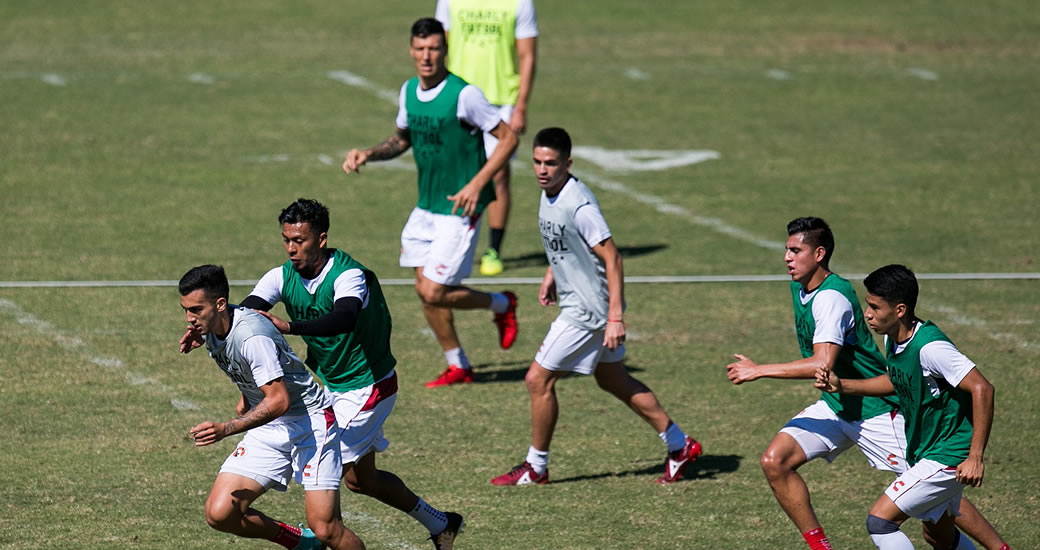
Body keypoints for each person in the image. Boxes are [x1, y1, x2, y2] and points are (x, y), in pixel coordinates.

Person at [180, 200, 463, 550]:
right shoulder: (281, 276)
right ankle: (442, 523)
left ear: (322, 238)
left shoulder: (348, 275)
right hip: (326, 386)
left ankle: (319, 535)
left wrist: (289, 326)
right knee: (362, 480)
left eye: (299, 240)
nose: (291, 248)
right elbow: (244, 314)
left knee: (328, 510)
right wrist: (207, 325)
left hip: (366, 386)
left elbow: (344, 317)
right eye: (286, 240)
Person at [725, 218, 1008, 550]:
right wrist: (841, 387)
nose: (787, 257)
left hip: (876, 414)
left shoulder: (833, 300)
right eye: (786, 249)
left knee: (933, 499)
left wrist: (758, 370)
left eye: (795, 250)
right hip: (838, 404)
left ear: (819, 253)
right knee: (775, 461)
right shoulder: (805, 290)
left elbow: (821, 363)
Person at [490, 127, 702, 486]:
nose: (543, 170)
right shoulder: (549, 192)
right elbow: (567, 243)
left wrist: (614, 318)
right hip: (581, 304)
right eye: (538, 162)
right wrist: (551, 274)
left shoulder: (580, 204)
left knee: (537, 380)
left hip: (588, 313)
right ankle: (680, 445)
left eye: (551, 164)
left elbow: (613, 257)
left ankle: (535, 467)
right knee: (613, 379)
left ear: (567, 163)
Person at [343, 17, 520, 388]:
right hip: (425, 208)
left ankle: (502, 304)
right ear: (411, 51)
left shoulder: (464, 95)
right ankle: (458, 364)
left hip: (460, 208)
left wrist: (477, 184)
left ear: (445, 50)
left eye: (434, 49)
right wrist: (368, 154)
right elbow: (401, 140)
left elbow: (508, 139)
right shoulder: (409, 92)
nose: (427, 56)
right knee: (425, 293)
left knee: (433, 290)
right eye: (421, 49)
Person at [177, 264, 364, 550]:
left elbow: (279, 400)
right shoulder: (216, 325)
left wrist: (227, 428)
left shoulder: (253, 336)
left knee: (327, 528)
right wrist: (203, 335)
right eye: (186, 310)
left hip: (310, 425)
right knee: (220, 513)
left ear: (220, 304)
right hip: (270, 426)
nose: (190, 318)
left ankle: (317, 538)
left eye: (196, 310)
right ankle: (301, 542)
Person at [815, 264, 998, 550]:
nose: (867, 314)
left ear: (900, 310)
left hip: (949, 455)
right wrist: (844, 386)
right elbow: (896, 380)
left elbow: (982, 388)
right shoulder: (893, 337)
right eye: (867, 305)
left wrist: (975, 456)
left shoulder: (930, 348)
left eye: (875, 307)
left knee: (880, 522)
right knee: (938, 537)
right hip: (926, 451)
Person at [435, 0, 539, 275]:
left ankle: (493, 250)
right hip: (459, 98)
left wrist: (521, 106)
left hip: (500, 101)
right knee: (454, 173)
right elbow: (438, 46)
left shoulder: (519, 3)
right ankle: (451, 244)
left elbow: (527, 55)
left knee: (499, 176)